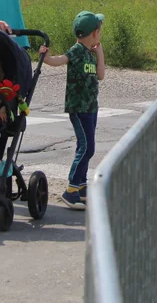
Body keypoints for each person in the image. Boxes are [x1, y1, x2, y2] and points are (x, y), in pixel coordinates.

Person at [38, 11, 105, 210]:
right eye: (100, 31)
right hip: (79, 108)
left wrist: (99, 53)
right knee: (86, 147)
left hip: (91, 108)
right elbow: (59, 60)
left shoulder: (89, 54)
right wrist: (46, 57)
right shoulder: (76, 51)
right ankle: (71, 190)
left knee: (88, 147)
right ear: (94, 33)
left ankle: (82, 188)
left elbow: (100, 75)